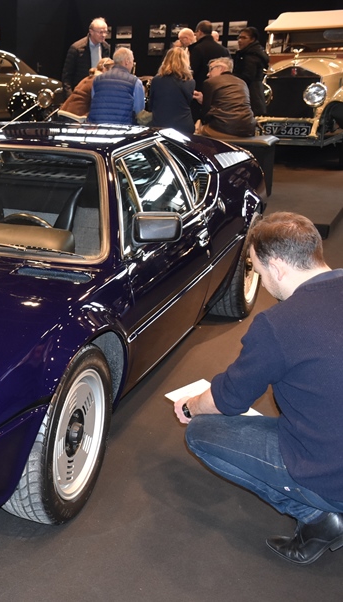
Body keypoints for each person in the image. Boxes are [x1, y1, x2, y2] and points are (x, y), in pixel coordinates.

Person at [174, 211, 343, 565]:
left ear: (277, 267)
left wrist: (189, 406)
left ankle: (319, 516)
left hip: (332, 475)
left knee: (202, 433)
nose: (261, 281)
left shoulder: (279, 324)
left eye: (257, 270)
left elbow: (227, 399)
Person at [195, 57, 256, 138]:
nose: (208, 74)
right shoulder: (242, 82)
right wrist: (203, 100)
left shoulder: (210, 82)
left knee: (197, 129)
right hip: (248, 129)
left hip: (225, 129)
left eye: (211, 69)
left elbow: (205, 113)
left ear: (221, 68)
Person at [87, 47, 145, 126]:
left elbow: (94, 100)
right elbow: (139, 111)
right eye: (132, 61)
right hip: (122, 128)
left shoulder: (97, 79)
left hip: (97, 127)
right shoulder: (135, 82)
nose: (132, 65)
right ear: (127, 61)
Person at [150, 47, 196, 134]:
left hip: (161, 124)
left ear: (166, 60)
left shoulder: (156, 80)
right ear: (185, 61)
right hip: (184, 126)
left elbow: (151, 105)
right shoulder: (190, 81)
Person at [62, 17, 111, 92]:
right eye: (101, 32)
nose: (104, 35)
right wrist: (70, 96)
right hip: (81, 91)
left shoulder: (105, 47)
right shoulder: (77, 48)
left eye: (106, 32)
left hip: (99, 90)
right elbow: (67, 76)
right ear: (91, 32)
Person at [234, 26, 270, 116]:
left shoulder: (251, 55)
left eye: (244, 38)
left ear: (252, 39)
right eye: (239, 37)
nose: (240, 40)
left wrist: (231, 77)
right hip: (253, 93)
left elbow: (247, 76)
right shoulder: (251, 53)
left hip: (251, 94)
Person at [189, 20, 229, 91]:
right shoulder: (224, 50)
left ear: (200, 32)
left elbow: (193, 70)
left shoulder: (197, 49)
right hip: (220, 87)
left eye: (196, 33)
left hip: (201, 88)